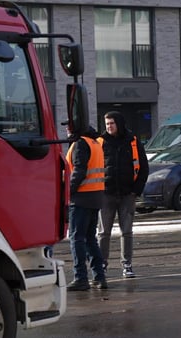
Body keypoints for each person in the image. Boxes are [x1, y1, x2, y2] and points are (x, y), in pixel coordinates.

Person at [97, 111, 149, 278]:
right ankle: (102, 265)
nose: (109, 127)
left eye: (111, 123)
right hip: (106, 194)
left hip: (127, 194)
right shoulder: (101, 142)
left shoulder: (132, 141)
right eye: (106, 124)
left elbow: (143, 167)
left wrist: (136, 190)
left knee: (126, 231)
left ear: (119, 123)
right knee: (104, 232)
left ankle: (127, 265)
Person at [66, 123, 107, 291]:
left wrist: (68, 191)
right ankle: (99, 277)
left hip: (81, 198)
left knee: (77, 239)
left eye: (68, 128)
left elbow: (79, 171)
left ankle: (80, 278)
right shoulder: (95, 143)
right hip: (96, 196)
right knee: (90, 239)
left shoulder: (80, 144)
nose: (66, 131)